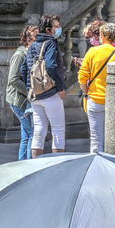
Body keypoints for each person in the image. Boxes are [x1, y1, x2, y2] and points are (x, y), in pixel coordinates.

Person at [19, 14, 67, 158]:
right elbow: (52, 66)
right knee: (58, 130)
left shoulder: (32, 45)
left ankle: (36, 163)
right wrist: (60, 88)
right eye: (56, 27)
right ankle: (56, 164)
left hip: (35, 96)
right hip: (50, 93)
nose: (59, 29)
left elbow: (23, 69)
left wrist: (31, 86)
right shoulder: (51, 43)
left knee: (39, 130)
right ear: (48, 30)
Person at [77, 22, 115, 155]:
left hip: (94, 99)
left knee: (96, 138)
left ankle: (96, 166)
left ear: (103, 36)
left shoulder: (93, 51)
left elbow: (82, 77)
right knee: (113, 138)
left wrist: (86, 93)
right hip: (114, 101)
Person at [6, 24, 36, 161]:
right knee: (32, 133)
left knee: (26, 133)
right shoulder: (20, 55)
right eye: (36, 38)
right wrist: (30, 93)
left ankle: (22, 163)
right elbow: (13, 79)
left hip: (23, 99)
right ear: (28, 40)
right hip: (19, 100)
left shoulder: (30, 53)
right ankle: (29, 164)